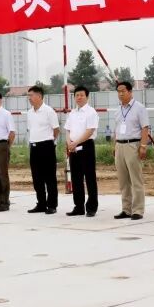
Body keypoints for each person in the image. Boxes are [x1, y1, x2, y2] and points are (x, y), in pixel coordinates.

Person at [112, 81, 150, 221]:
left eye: (123, 91)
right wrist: (114, 146)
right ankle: (126, 209)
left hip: (133, 145)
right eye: (118, 91)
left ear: (130, 92)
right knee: (123, 180)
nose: (120, 94)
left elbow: (145, 128)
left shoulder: (139, 108)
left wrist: (143, 146)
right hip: (119, 146)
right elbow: (117, 129)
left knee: (135, 179)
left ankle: (138, 210)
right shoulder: (118, 110)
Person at [65, 86, 100, 217]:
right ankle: (78, 207)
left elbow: (90, 131)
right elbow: (68, 129)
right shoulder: (72, 113)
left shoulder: (91, 112)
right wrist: (69, 142)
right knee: (76, 178)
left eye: (81, 95)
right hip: (73, 148)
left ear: (87, 97)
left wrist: (76, 142)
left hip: (86, 146)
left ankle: (91, 207)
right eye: (77, 95)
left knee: (90, 178)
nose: (79, 97)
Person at [25, 85, 60, 214]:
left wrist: (50, 142)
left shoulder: (49, 111)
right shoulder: (29, 113)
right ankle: (41, 204)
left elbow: (56, 130)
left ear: (39, 96)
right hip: (34, 147)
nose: (29, 98)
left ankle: (52, 205)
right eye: (28, 96)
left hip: (47, 147)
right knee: (37, 178)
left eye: (31, 95)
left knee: (49, 178)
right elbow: (31, 130)